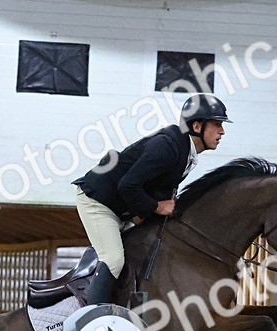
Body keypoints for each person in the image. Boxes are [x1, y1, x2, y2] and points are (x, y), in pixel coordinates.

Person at [72, 93, 230, 304]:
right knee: (114, 260)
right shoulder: (167, 146)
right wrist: (156, 206)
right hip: (98, 201)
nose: (222, 131)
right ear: (197, 126)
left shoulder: (186, 153)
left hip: (120, 207)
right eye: (217, 124)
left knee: (139, 254)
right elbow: (128, 185)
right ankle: (90, 319)